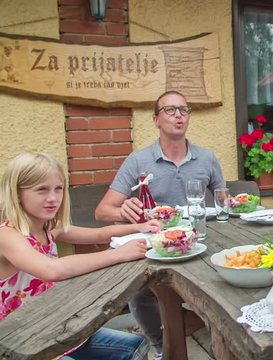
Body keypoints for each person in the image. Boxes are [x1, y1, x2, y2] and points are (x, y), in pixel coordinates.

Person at [95, 90, 225, 359]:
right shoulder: (139, 160)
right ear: (156, 119)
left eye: (184, 110)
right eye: (170, 110)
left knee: (224, 278)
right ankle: (159, 346)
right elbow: (102, 211)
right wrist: (124, 209)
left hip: (198, 244)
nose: (178, 115)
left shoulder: (207, 158)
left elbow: (224, 203)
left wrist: (231, 203)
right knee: (139, 291)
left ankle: (205, 329)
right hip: (157, 247)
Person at [0, 152, 162, 360]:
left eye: (58, 189)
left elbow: (99, 234)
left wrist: (140, 226)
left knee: (135, 346)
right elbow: (52, 270)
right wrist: (119, 254)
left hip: (55, 330)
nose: (53, 198)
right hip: (19, 343)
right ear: (17, 193)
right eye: (41, 190)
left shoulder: (49, 227)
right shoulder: (7, 235)